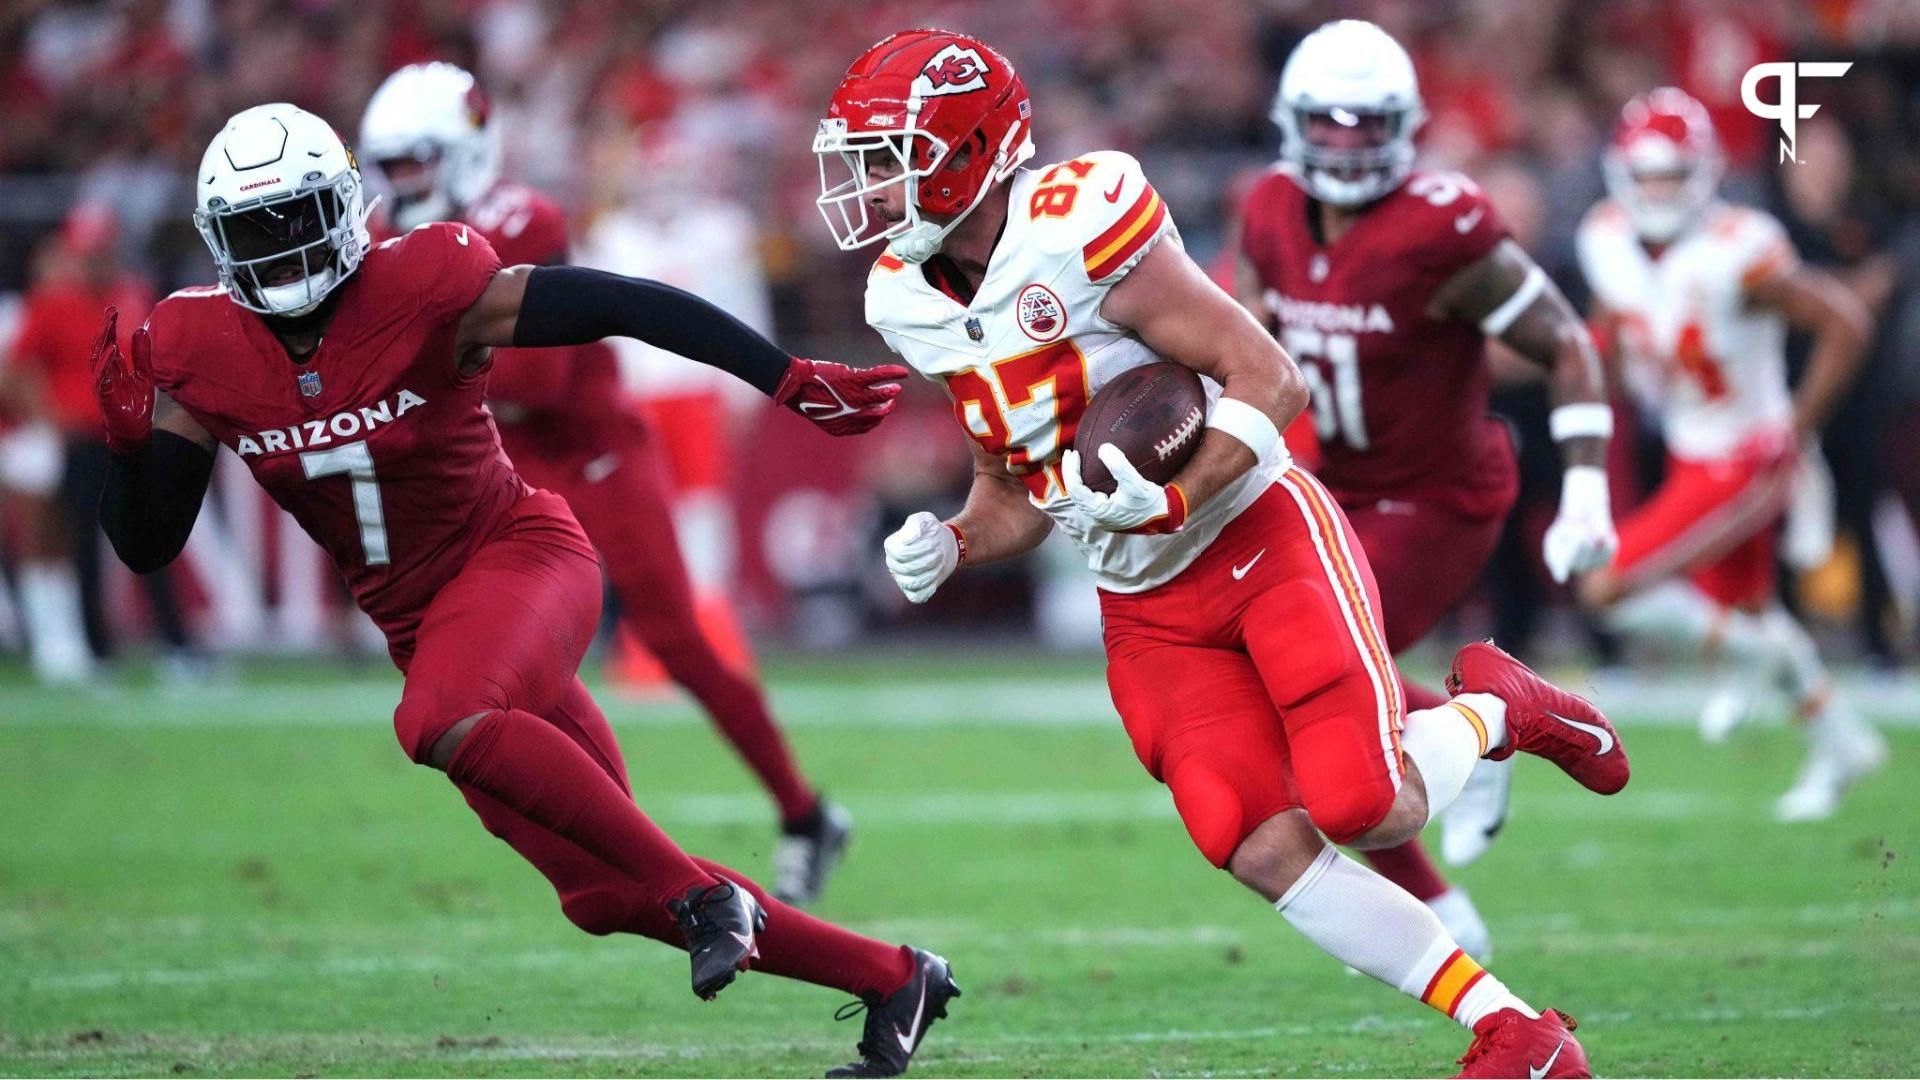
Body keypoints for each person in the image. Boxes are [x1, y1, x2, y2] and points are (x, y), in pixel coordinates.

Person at [93, 102, 953, 1079]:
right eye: (256, 229)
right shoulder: (197, 345)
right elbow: (146, 547)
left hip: (519, 560)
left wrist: (783, 374)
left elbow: (619, 301)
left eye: (294, 217)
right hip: (425, 627)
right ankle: (894, 976)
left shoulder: (424, 281)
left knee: (438, 721)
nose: (282, 247)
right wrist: (129, 451)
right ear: (219, 243)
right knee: (604, 895)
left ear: (340, 207)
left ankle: (712, 899)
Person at [825, 29, 1622, 1078]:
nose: (870, 186)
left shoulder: (1079, 222)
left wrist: (1171, 497)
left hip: (1253, 534)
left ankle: (1498, 708)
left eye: (890, 157)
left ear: (967, 151)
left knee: (1362, 802)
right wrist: (958, 539)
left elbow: (1270, 378)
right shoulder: (905, 298)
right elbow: (1010, 484)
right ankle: (1515, 1033)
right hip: (1143, 605)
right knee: (1254, 841)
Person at [358, 62, 850, 906]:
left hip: (592, 455)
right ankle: (618, 851)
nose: (400, 185)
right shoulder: (380, 238)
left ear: (466, 152)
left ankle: (804, 814)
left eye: (416, 163)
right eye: (390, 166)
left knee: (677, 640)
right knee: (502, 669)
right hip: (501, 470)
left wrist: (403, 364)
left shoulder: (521, 219)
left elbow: (534, 384)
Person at [1232, 21, 1618, 914]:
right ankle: (1479, 735)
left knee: (1315, 689)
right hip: (1330, 486)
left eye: (1366, 124)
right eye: (1327, 123)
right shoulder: (1269, 209)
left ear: (1402, 127)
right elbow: (1244, 337)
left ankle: (1441, 883)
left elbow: (1566, 342)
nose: (1345, 143)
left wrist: (1588, 492)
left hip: (1436, 495)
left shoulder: (1442, 225)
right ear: (1293, 122)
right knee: (1289, 687)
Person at [1573, 88, 1884, 823]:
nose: (1659, 192)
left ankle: (1757, 663)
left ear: (1704, 174)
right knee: (1749, 610)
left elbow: (1847, 321)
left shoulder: (1740, 249)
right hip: (1689, 448)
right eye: (1647, 176)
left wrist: (1797, 426)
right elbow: (1608, 334)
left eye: (1673, 176)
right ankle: (1842, 747)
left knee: (1607, 587)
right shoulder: (1607, 239)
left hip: (1746, 454)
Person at [3, 202, 198, 678]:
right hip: (82, 442)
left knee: (152, 541)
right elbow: (14, 369)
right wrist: (50, 415)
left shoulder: (133, 295)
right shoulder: (53, 302)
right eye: (83, 252)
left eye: (97, 251)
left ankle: (178, 647)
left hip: (129, 440)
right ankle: (96, 649)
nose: (90, 261)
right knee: (84, 548)